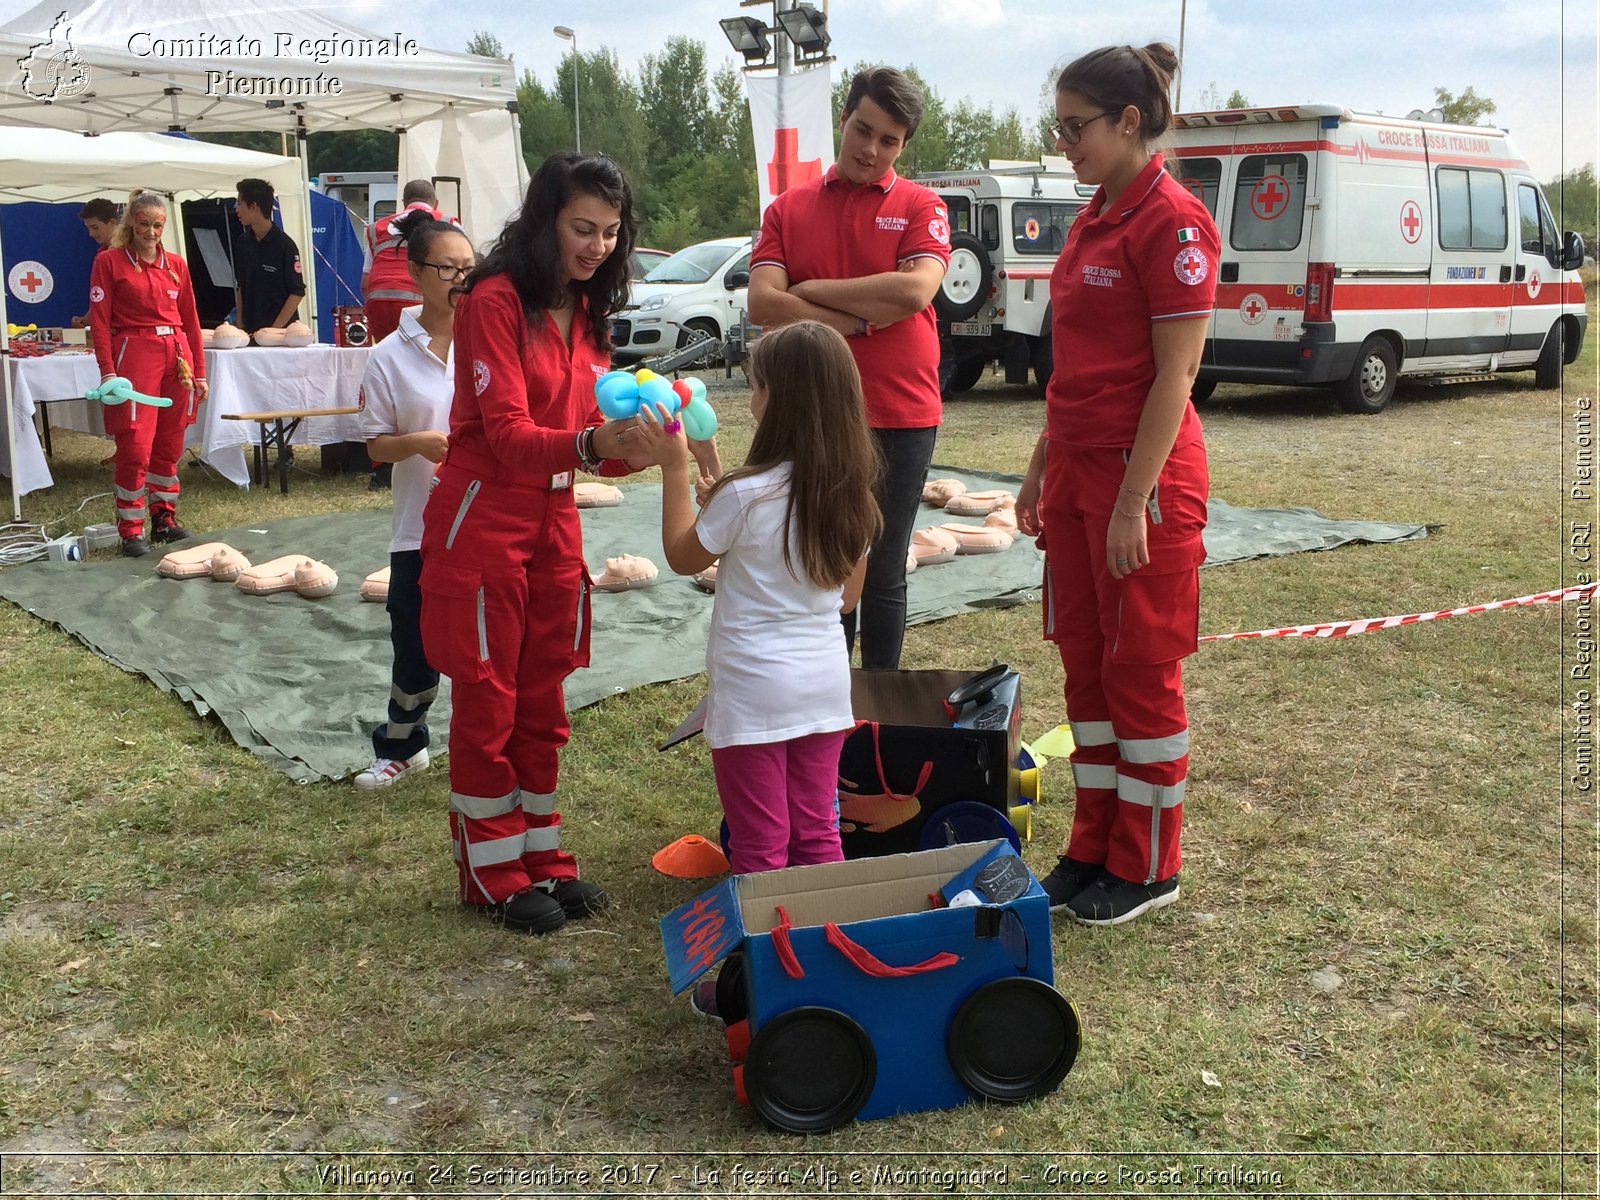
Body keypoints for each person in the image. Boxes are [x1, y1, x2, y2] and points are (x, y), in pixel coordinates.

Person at [418, 152, 650, 935]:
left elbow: (587, 438)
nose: (597, 246)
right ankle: (489, 868)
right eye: (583, 228)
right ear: (545, 220)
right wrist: (594, 448)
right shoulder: (492, 301)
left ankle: (541, 850)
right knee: (489, 693)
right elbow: (515, 437)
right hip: (485, 511)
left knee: (545, 689)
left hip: (555, 516)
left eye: (611, 234)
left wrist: (634, 446)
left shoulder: (586, 314)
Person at [1015, 43, 1219, 926]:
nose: (1064, 143)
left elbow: (1174, 379)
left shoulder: (1173, 225)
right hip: (1076, 471)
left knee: (1141, 676)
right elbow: (1075, 368)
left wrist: (1134, 502)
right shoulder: (1093, 217)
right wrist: (1039, 464)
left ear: (1129, 122)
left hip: (1144, 480)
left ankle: (1148, 864)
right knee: (1087, 674)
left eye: (1075, 126)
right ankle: (1092, 848)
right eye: (1057, 127)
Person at [636, 319, 880, 876]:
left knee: (761, 842)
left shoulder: (745, 495)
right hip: (823, 689)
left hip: (754, 692)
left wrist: (674, 465)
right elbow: (846, 599)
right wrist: (709, 466)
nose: (752, 396)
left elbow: (682, 554)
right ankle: (824, 943)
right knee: (819, 830)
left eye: (756, 385)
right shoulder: (854, 495)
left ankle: (769, 955)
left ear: (779, 398)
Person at [746, 66, 950, 671]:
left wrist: (812, 290)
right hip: (809, 413)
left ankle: (880, 713)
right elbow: (763, 304)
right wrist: (859, 319)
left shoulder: (922, 204)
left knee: (884, 570)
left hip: (900, 411)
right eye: (863, 129)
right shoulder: (789, 208)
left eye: (889, 140)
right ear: (843, 119)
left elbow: (914, 293)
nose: (871, 148)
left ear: (904, 145)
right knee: (821, 565)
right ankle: (825, 707)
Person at [352, 209, 475, 790]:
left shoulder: (493, 341)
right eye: (447, 268)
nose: (459, 280)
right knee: (414, 633)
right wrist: (420, 443)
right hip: (420, 525)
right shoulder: (388, 355)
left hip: (487, 519)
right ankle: (404, 742)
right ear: (416, 273)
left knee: (488, 637)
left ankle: (487, 743)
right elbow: (376, 446)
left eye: (469, 269)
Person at [87, 192, 209, 557]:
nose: (151, 232)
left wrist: (199, 371)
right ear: (131, 223)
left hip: (177, 358)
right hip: (134, 356)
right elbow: (100, 320)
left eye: (158, 225)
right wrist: (108, 373)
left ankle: (164, 519)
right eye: (144, 224)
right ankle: (130, 527)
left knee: (170, 444)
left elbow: (191, 321)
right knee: (136, 444)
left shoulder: (176, 265)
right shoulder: (109, 262)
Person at [362, 180, 462, 344]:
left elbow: (365, 282)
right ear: (435, 203)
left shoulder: (376, 228)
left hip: (379, 302)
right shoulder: (448, 223)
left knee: (390, 357)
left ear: (404, 203)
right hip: (419, 302)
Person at [233, 177, 305, 334]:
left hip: (280, 335)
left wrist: (274, 330)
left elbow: (297, 292)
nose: (236, 209)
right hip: (250, 331)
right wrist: (240, 324)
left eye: (239, 203)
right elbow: (241, 286)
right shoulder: (243, 242)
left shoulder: (285, 245)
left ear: (254, 206)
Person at [70, 198, 118, 328]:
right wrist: (85, 320)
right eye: (89, 228)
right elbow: (102, 297)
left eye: (95, 227)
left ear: (113, 223)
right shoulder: (102, 254)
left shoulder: (130, 254)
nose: (91, 234)